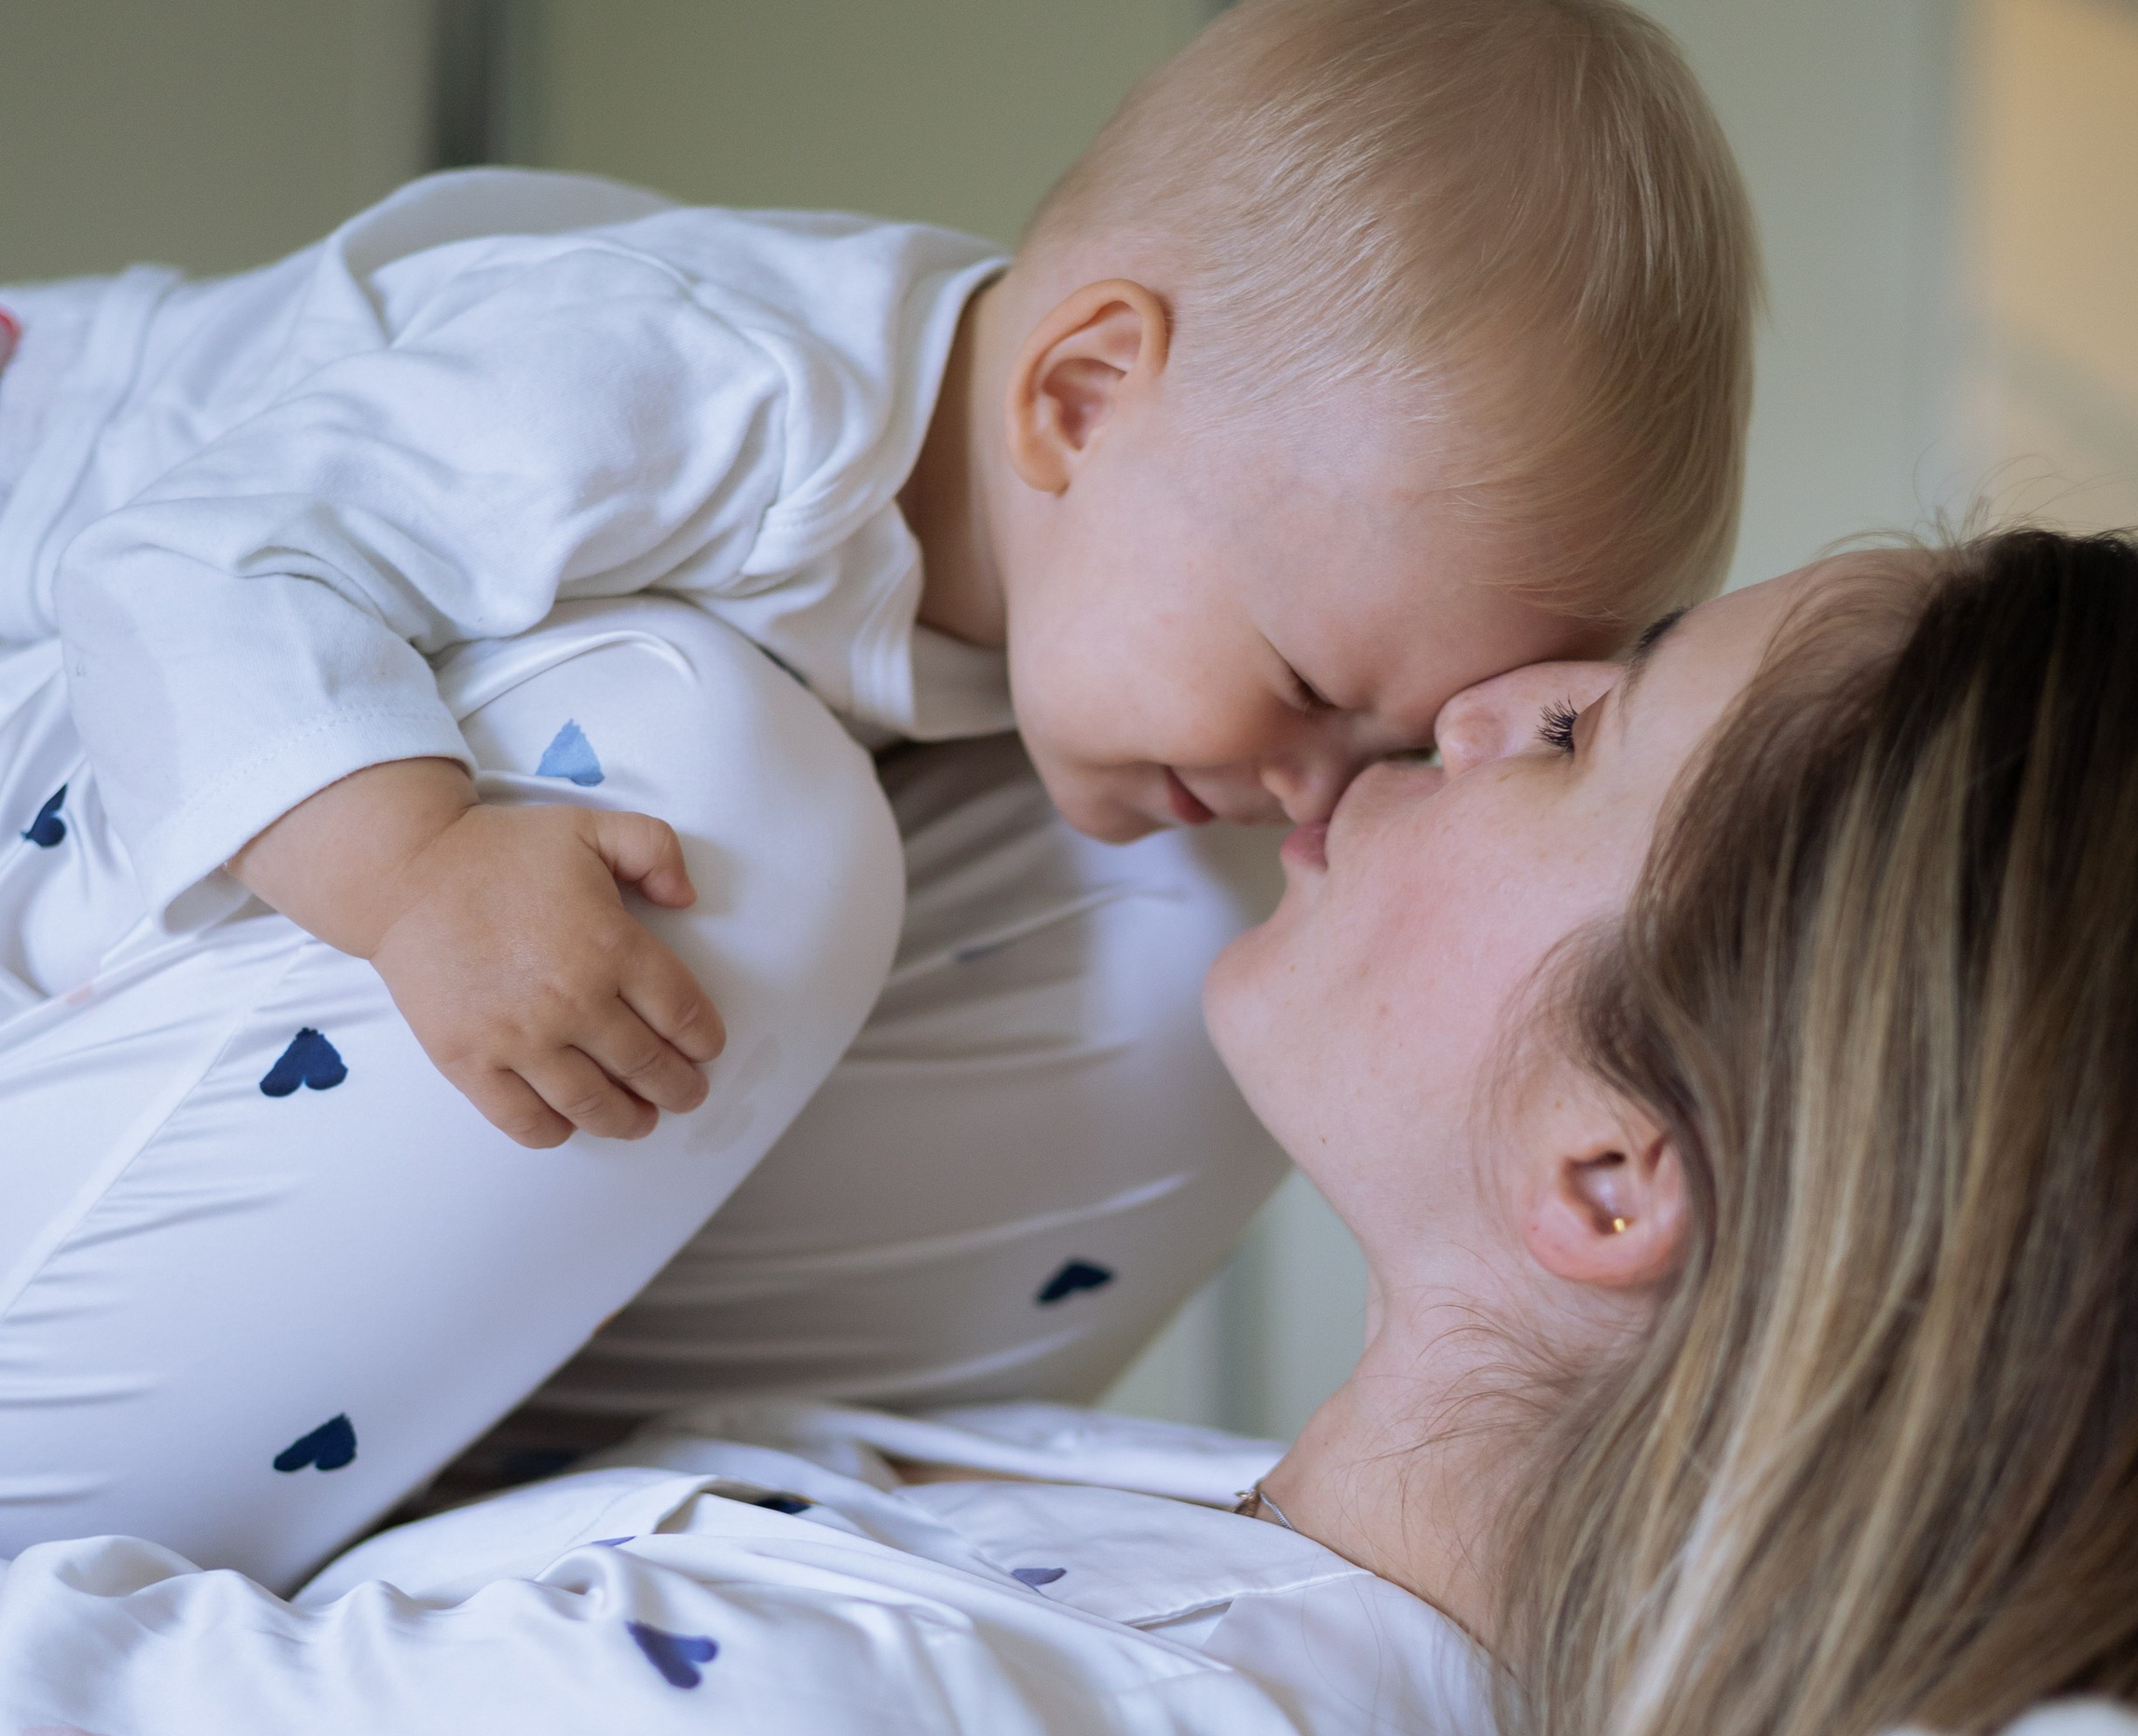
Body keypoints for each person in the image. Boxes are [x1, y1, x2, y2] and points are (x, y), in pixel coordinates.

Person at [7, 526, 2138, 1736]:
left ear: (1609, 1171)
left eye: (1583, 739)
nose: (1485, 692)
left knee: (685, 763)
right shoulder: (1217, 1607)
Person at [0, 0, 1758, 1586]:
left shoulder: (1052, 593)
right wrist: (415, 867)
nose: (1314, 793)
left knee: (1169, 905)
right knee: (720, 790)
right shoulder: (705, 387)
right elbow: (183, 571)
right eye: (1304, 688)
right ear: (1082, 396)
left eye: (1386, 750)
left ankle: (521, 1473)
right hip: (65, 608)